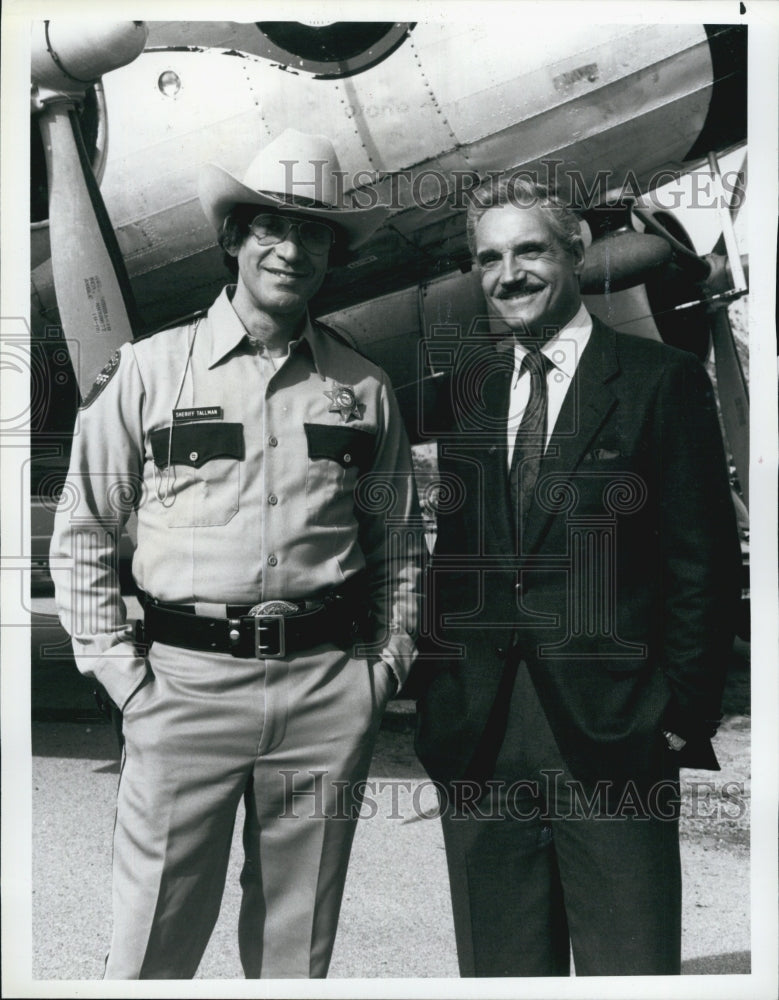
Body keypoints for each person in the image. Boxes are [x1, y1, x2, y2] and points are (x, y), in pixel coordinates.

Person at [50, 128, 422, 979]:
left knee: (296, 952)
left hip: (327, 689)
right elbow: (82, 538)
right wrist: (125, 680)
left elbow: (399, 544)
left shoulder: (362, 388)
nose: (291, 250)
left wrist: (383, 670)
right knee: (152, 945)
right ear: (232, 239)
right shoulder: (146, 374)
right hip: (183, 690)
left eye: (312, 232)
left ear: (329, 252)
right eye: (269, 228)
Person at [412, 177, 741, 976]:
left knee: (627, 968)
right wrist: (438, 703)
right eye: (489, 258)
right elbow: (450, 564)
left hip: (616, 735)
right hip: (484, 737)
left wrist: (678, 712)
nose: (508, 274)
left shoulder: (659, 380)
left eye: (528, 250)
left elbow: (701, 561)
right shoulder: (467, 391)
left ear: (575, 252)